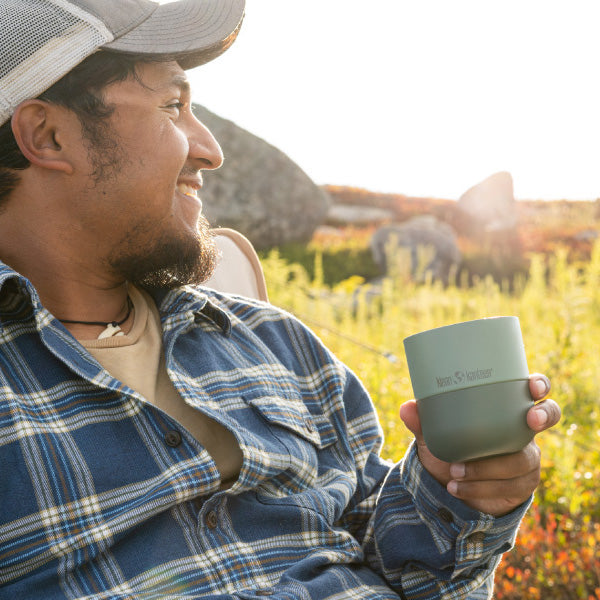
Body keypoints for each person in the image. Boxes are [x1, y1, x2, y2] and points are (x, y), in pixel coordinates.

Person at [0, 1, 561, 599]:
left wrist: (460, 491)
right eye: (172, 106)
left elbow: (407, 571)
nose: (211, 150)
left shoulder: (272, 339)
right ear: (47, 134)